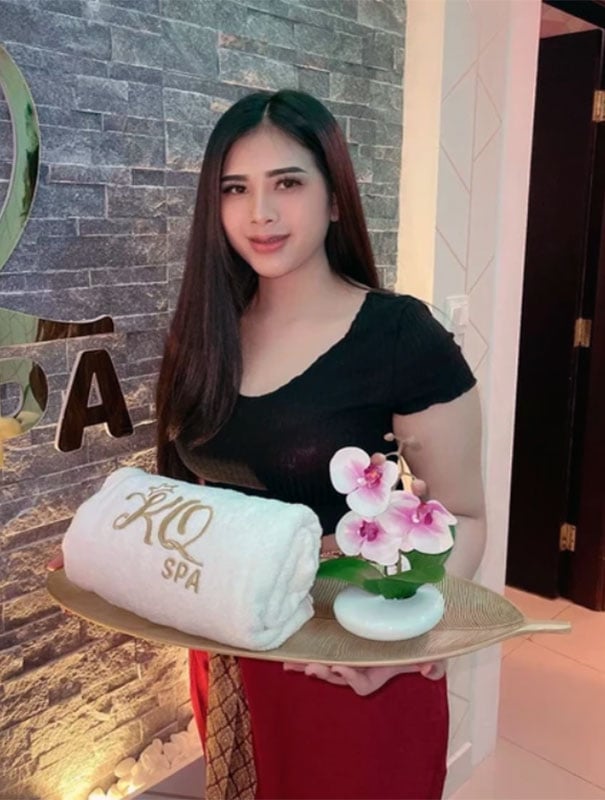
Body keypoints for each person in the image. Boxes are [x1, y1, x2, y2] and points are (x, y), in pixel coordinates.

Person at [154, 88, 486, 800]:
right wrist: (112, 548)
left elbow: (464, 513)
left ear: (334, 199)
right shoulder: (205, 333)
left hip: (353, 664)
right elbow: (194, 503)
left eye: (287, 184)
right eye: (235, 189)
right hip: (232, 655)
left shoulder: (399, 336)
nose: (260, 213)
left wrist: (403, 639)